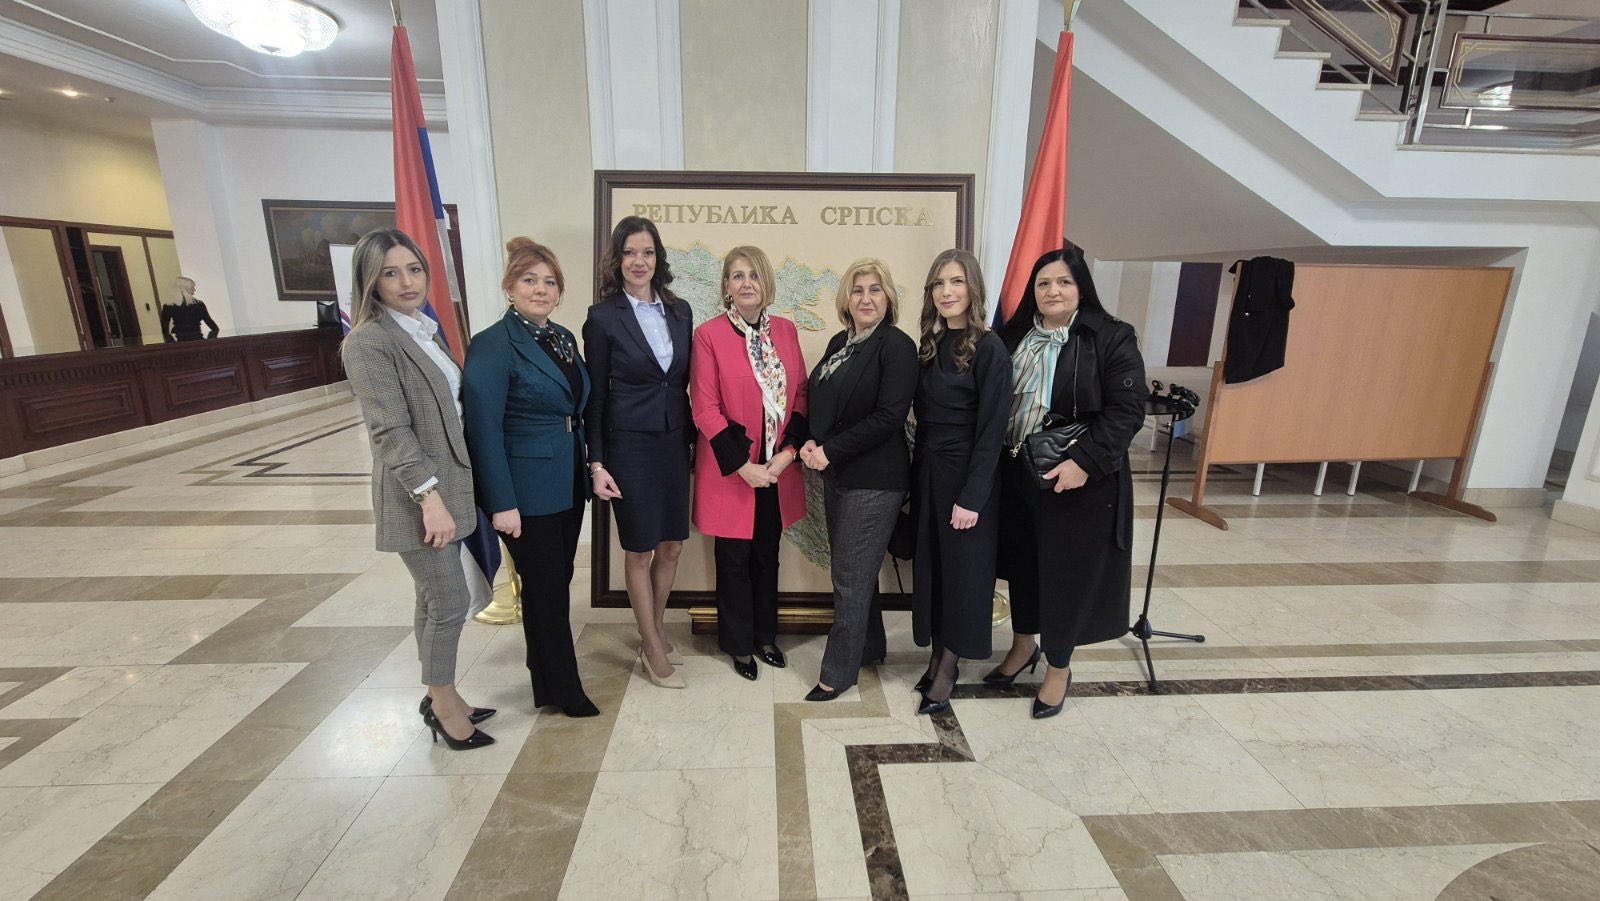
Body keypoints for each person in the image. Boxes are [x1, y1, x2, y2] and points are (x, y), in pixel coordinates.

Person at [341, 228, 495, 750]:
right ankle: (443, 705)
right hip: (418, 497)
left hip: (447, 488)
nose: (406, 281)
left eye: (413, 269)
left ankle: (442, 694)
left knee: (432, 600)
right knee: (449, 601)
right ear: (370, 281)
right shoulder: (369, 342)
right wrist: (430, 499)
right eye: (390, 272)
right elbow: (389, 430)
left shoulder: (421, 330)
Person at [991, 243, 1147, 719]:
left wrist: (1085, 461)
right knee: (1023, 566)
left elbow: (1127, 411)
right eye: (1043, 283)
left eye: (1063, 281)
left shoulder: (1110, 336)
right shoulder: (1013, 336)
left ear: (1081, 287)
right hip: (1016, 470)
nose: (1052, 290)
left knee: (1065, 575)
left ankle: (1058, 666)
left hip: (1075, 479)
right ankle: (1024, 645)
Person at [462, 238, 598, 718]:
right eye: (529, 280)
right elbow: (483, 430)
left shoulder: (561, 337)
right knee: (545, 589)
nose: (541, 289)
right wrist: (501, 501)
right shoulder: (493, 344)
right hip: (524, 490)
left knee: (555, 583)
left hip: (566, 481)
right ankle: (564, 688)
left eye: (550, 282)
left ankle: (547, 676)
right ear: (509, 286)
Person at [800, 258, 917, 701]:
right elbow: (823, 402)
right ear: (845, 300)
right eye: (857, 290)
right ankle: (869, 647)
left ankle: (837, 673)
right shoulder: (840, 343)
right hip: (839, 474)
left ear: (888, 298)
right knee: (857, 571)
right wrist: (812, 441)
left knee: (849, 578)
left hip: (875, 480)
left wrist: (829, 451)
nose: (866, 298)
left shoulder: (897, 346)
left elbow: (888, 417)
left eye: (875, 289)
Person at [584, 216, 694, 689]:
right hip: (628, 445)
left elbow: (684, 380)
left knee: (672, 545)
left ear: (658, 258)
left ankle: (656, 629)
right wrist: (597, 462)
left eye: (647, 252)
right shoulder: (602, 317)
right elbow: (595, 398)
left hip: (674, 441)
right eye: (629, 252)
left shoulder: (680, 310)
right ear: (617, 259)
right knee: (640, 548)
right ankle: (650, 647)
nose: (639, 261)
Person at [690, 246, 808, 681]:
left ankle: (764, 636)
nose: (746, 283)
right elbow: (704, 408)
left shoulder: (786, 331)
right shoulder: (708, 335)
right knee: (734, 559)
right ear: (726, 286)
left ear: (766, 283)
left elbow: (801, 395)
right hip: (733, 471)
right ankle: (739, 645)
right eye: (737, 276)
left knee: (766, 554)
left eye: (754, 275)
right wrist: (744, 467)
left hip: (777, 468)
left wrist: (786, 455)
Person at [909, 249, 1012, 715]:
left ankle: (948, 668)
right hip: (930, 473)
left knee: (963, 576)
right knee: (934, 570)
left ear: (973, 288)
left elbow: (992, 431)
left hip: (968, 480)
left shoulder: (990, 349)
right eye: (938, 283)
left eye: (956, 282)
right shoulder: (929, 346)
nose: (946, 292)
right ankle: (935, 657)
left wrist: (972, 496)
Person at [161, 277, 219, 341]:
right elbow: (210, 322)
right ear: (187, 289)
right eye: (192, 287)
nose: (194, 289)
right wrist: (212, 340)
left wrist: (170, 343)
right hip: (197, 337)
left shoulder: (169, 306)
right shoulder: (198, 304)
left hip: (179, 339)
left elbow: (164, 328)